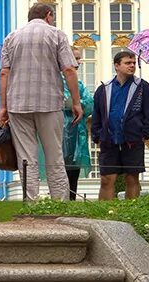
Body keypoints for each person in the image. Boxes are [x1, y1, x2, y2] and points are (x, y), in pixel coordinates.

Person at [0, 2, 83, 201]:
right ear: (49, 15)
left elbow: (4, 73)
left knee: (26, 158)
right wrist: (76, 102)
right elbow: (69, 70)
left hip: (18, 103)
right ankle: (59, 203)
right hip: (49, 102)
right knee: (54, 155)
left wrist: (3, 106)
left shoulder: (11, 37)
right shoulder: (56, 34)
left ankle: (31, 203)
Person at [91, 50, 149, 200]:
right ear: (117, 66)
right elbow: (97, 114)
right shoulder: (104, 88)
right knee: (107, 179)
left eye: (133, 63)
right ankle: (103, 214)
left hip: (133, 140)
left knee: (132, 178)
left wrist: (144, 134)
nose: (132, 66)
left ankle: (130, 212)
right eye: (128, 63)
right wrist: (97, 135)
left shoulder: (142, 87)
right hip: (109, 139)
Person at [62, 47, 95, 200]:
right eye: (76, 58)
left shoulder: (80, 84)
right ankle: (59, 200)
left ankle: (72, 198)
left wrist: (77, 103)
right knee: (57, 166)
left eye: (79, 58)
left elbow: (89, 104)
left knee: (73, 168)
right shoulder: (56, 81)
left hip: (77, 130)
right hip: (61, 128)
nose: (79, 62)